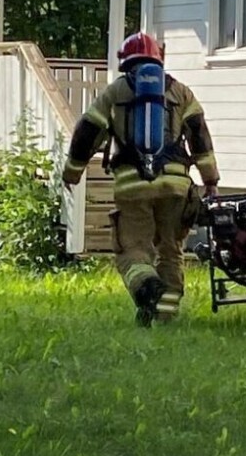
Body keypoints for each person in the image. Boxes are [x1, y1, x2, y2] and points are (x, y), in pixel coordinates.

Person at [62, 32, 220, 326]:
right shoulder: (181, 92)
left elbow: (87, 132)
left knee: (132, 249)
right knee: (171, 250)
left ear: (126, 63)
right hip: (175, 185)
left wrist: (72, 172)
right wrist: (210, 178)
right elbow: (199, 135)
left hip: (133, 185)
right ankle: (164, 314)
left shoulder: (116, 92)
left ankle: (147, 288)